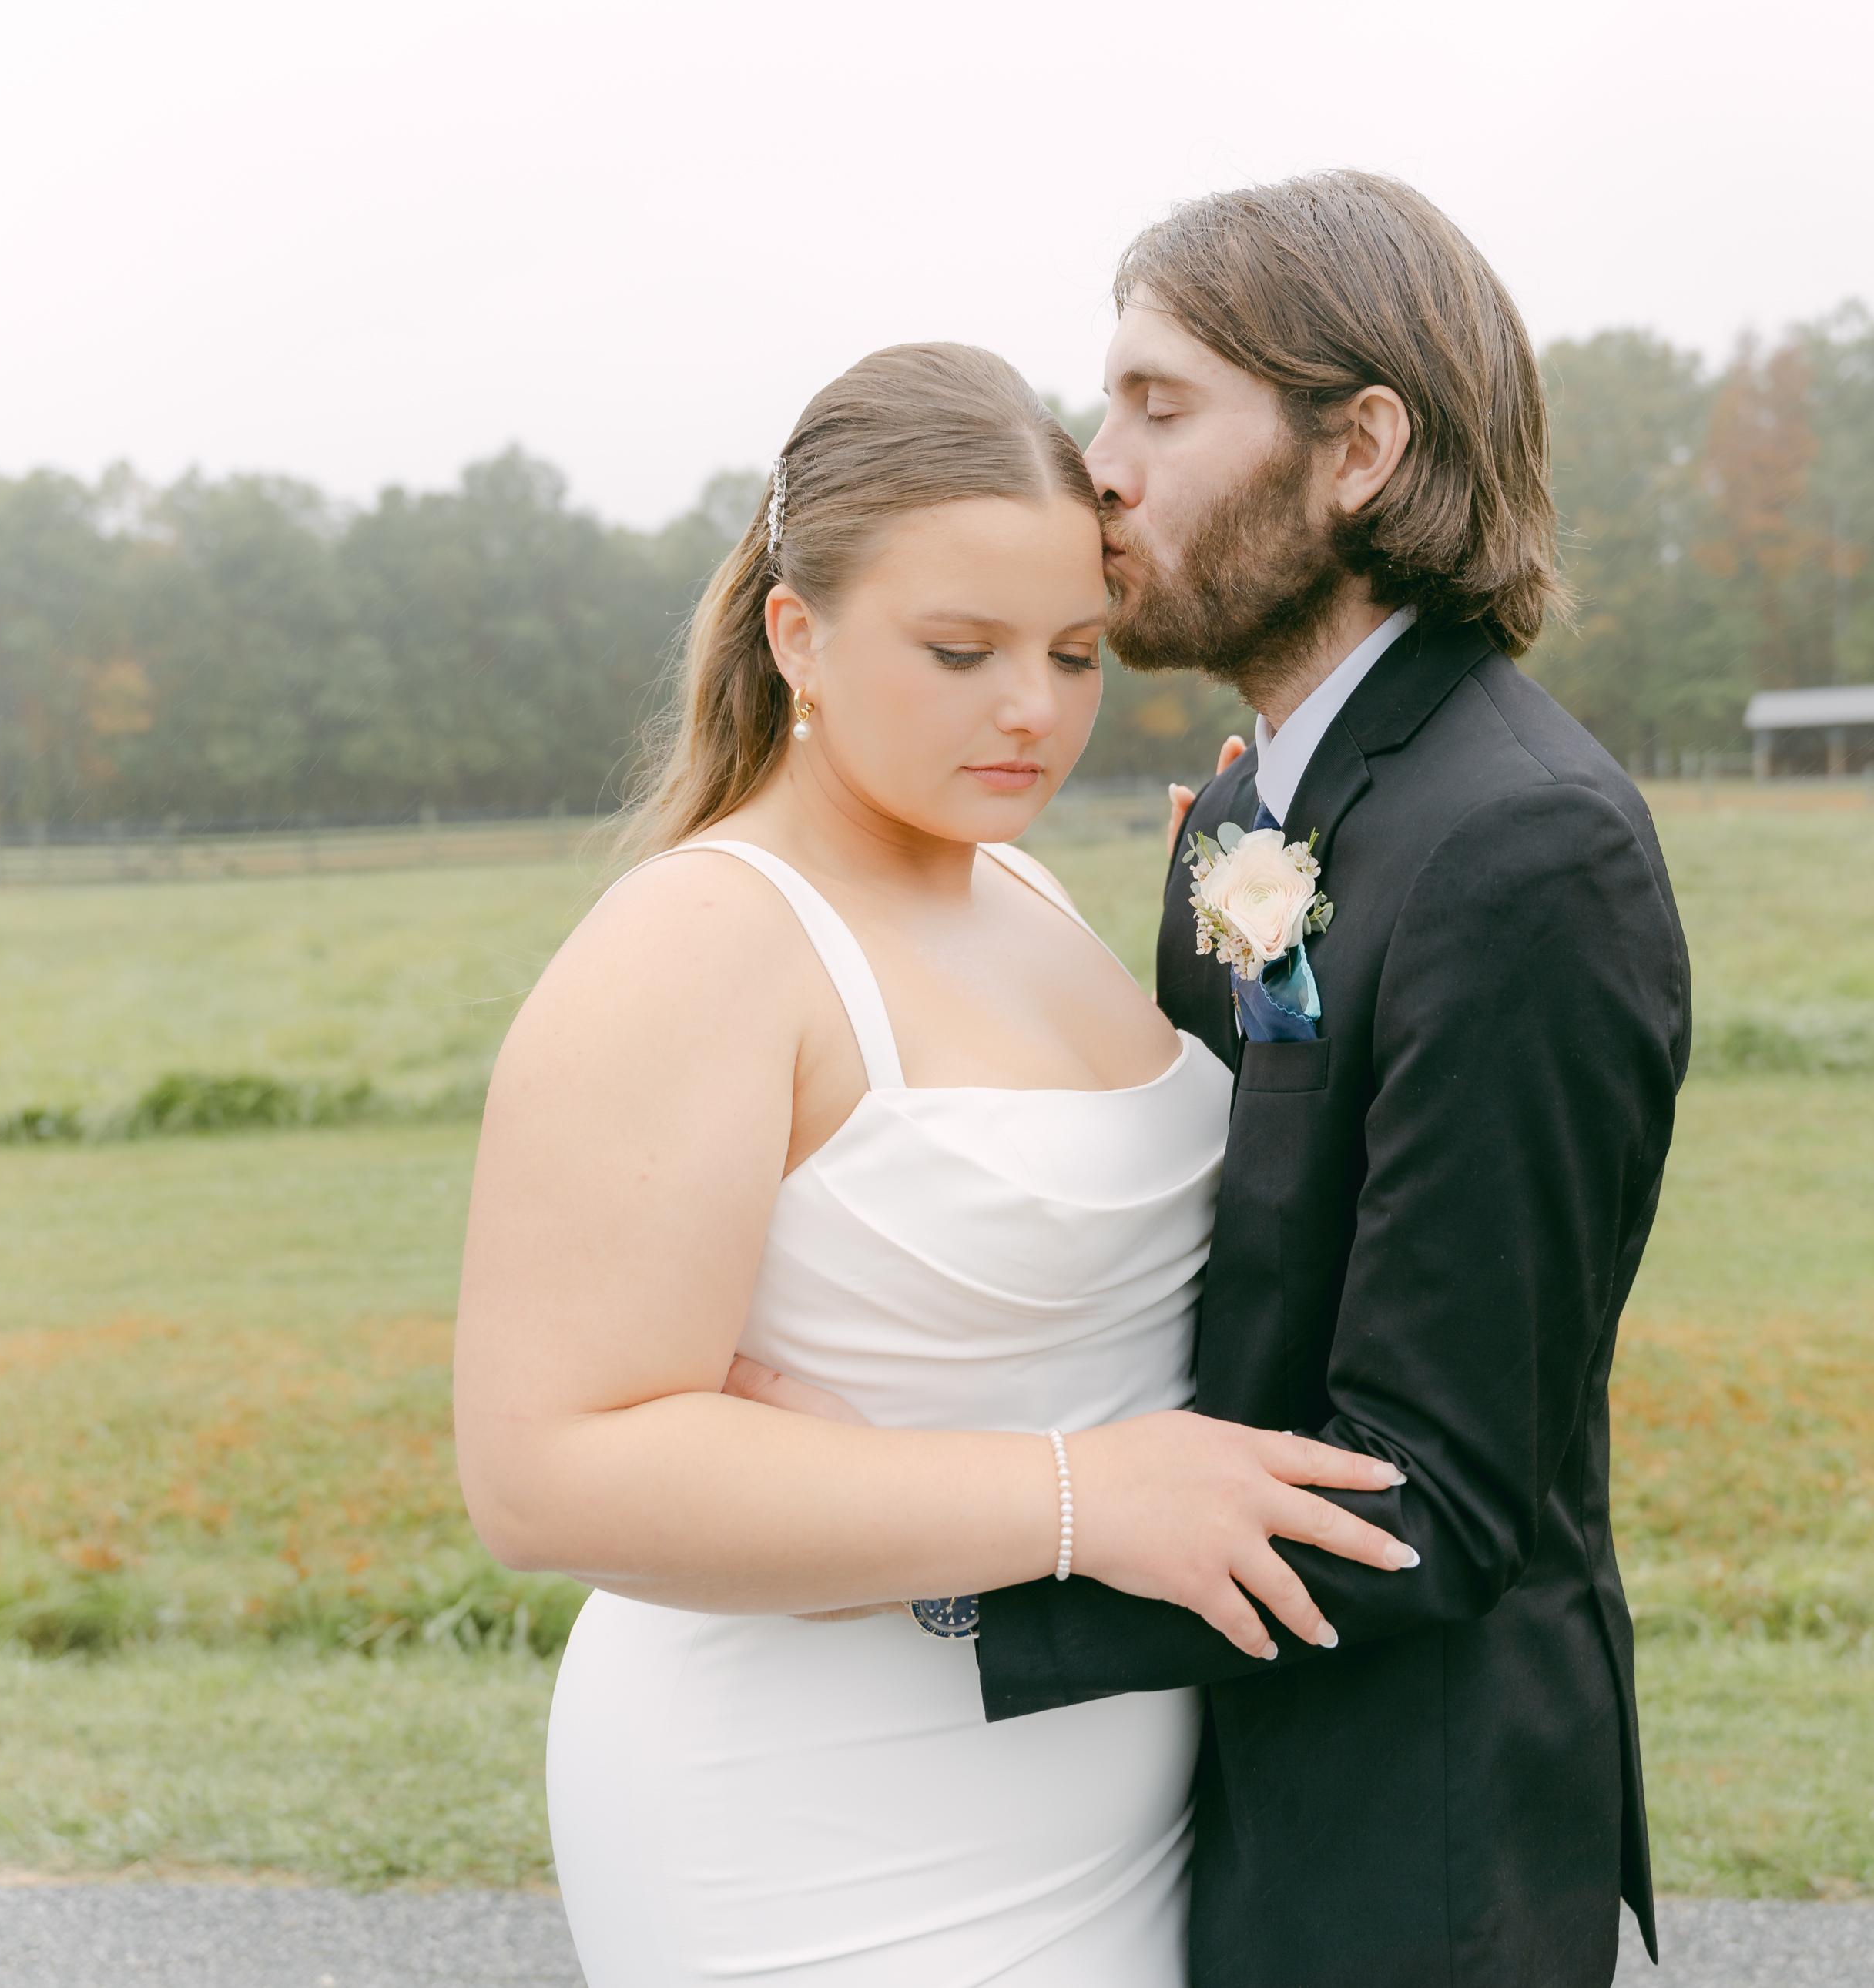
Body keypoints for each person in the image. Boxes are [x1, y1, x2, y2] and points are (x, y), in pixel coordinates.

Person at [448, 340, 1418, 1987]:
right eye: (961, 651)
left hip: (1110, 1806)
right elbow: (543, 1472)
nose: (1032, 708)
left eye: (1074, 651)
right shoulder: (701, 942)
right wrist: (1075, 1496)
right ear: (797, 635)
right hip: (812, 1822)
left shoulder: (1025, 895)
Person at [953, 171, 1694, 1987]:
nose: (1097, 469)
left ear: (1356, 449)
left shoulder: (1526, 846)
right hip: (1187, 1804)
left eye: (1158, 407)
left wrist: (945, 1564)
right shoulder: (1244, 812)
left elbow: (1432, 1495)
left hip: (1406, 1866)